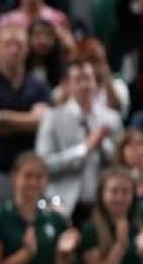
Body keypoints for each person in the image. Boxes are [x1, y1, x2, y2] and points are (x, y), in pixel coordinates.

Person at [0, 23, 53, 234]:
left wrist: (2, 117)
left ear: (27, 49)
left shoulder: (39, 86)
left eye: (19, 45)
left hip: (28, 176)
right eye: (8, 44)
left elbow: (41, 122)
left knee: (30, 231)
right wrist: (24, 122)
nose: (13, 50)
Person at [35, 61, 123, 220]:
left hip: (102, 204)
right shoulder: (52, 118)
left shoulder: (111, 118)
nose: (85, 85)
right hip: (63, 204)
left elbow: (120, 162)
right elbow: (43, 164)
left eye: (89, 79)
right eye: (78, 80)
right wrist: (84, 149)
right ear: (66, 86)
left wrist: (102, 144)